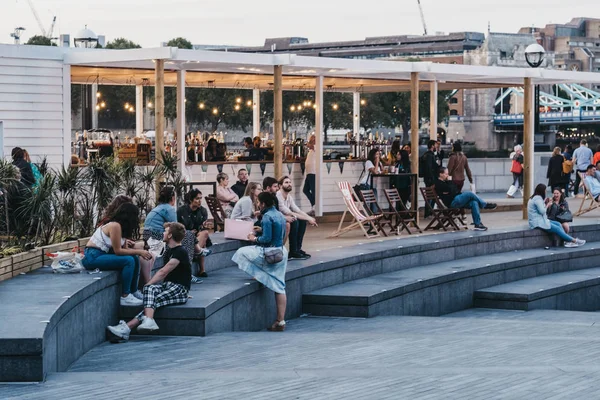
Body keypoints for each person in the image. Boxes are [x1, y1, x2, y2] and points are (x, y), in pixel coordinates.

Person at [106, 222, 192, 342]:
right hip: (169, 287)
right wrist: (148, 285)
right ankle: (148, 321)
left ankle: (127, 327)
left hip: (179, 289)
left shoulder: (180, 251)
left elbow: (163, 272)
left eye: (166, 231)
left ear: (170, 235)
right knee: (149, 290)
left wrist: (149, 283)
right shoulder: (169, 250)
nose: (163, 233)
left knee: (153, 299)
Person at [232, 192, 288, 332]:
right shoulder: (279, 214)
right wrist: (262, 230)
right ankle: (280, 320)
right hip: (281, 252)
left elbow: (266, 239)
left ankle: (261, 275)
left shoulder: (267, 216)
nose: (257, 204)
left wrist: (253, 238)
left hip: (269, 253)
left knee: (241, 253)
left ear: (263, 203)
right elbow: (278, 232)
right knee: (280, 287)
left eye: (258, 202)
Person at [82, 203, 152, 306]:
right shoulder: (115, 225)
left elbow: (124, 250)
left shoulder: (120, 227)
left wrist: (132, 249)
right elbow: (118, 251)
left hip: (100, 254)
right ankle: (125, 296)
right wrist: (140, 252)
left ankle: (133, 291)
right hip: (92, 256)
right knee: (129, 260)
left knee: (134, 258)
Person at [435, 167, 497, 231]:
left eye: (448, 174)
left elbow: (456, 190)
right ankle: (484, 205)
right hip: (452, 202)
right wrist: (450, 182)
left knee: (474, 202)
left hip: (458, 199)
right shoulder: (438, 183)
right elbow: (451, 190)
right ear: (441, 174)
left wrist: (451, 187)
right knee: (469, 193)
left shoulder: (447, 182)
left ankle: (477, 224)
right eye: (446, 174)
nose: (447, 175)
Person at [528, 184, 584, 248]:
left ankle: (566, 241)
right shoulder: (537, 199)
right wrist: (547, 205)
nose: (546, 192)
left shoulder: (536, 198)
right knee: (557, 228)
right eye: (545, 190)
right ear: (542, 191)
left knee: (558, 224)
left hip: (540, 220)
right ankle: (574, 240)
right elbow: (542, 211)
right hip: (538, 222)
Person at [277, 176, 318, 260]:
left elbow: (297, 210)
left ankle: (297, 249)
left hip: (287, 218)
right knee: (295, 221)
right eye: (286, 182)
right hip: (279, 219)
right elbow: (289, 212)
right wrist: (308, 218)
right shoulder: (278, 196)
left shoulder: (289, 197)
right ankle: (293, 251)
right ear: (280, 185)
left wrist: (309, 217)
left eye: (289, 182)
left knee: (302, 221)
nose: (289, 184)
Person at [177, 188, 211, 281]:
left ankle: (196, 256)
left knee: (204, 233)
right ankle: (201, 268)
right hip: (184, 236)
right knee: (199, 240)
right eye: (197, 199)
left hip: (198, 236)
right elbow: (177, 226)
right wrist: (187, 232)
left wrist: (202, 227)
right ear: (191, 200)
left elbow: (202, 227)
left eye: (201, 198)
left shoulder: (203, 211)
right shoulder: (181, 211)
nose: (199, 201)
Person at [358, 148, 383, 214]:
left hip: (373, 185)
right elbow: (375, 172)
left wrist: (379, 163)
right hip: (366, 185)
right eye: (376, 154)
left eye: (379, 154)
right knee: (367, 203)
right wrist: (377, 162)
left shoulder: (378, 164)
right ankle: (366, 221)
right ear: (373, 155)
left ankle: (373, 220)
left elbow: (382, 171)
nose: (378, 156)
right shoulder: (368, 162)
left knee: (375, 204)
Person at [421, 140, 438, 217]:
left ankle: (429, 211)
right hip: (430, 178)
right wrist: (432, 178)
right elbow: (430, 167)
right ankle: (428, 212)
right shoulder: (430, 155)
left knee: (430, 195)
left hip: (427, 178)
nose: (436, 147)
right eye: (435, 145)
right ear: (432, 146)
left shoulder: (426, 155)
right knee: (431, 195)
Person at [303, 134, 317, 216]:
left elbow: (309, 145)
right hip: (309, 172)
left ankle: (315, 208)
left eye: (314, 138)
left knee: (314, 191)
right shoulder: (312, 149)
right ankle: (314, 206)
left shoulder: (316, 147)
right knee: (305, 190)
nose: (312, 139)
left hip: (313, 172)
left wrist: (310, 140)